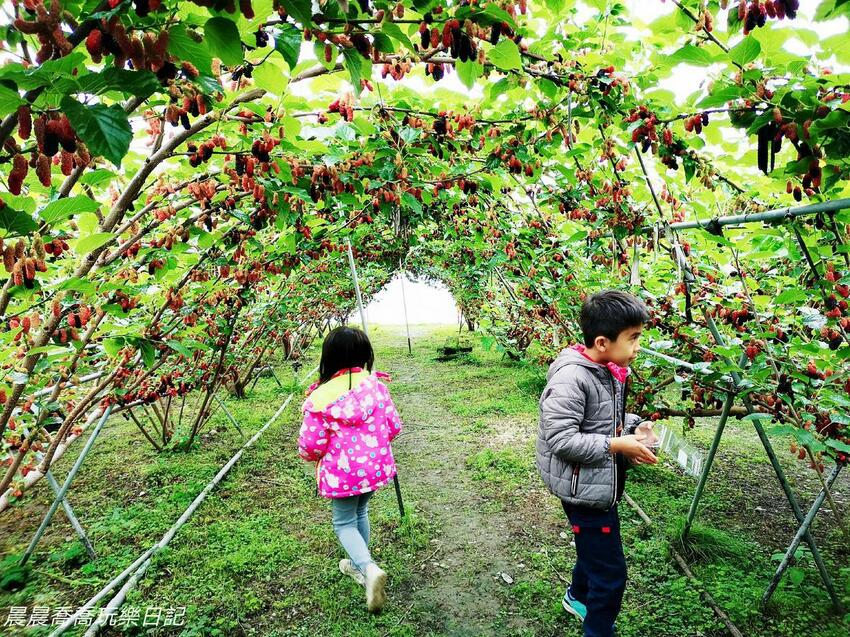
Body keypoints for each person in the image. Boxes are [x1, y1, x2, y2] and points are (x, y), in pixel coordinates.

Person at [536, 290, 658, 637]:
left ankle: (577, 596)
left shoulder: (609, 370)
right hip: (583, 492)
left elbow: (605, 420)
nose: (638, 346)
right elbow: (561, 440)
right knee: (610, 574)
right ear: (602, 342)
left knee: (593, 551)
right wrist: (616, 445)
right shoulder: (571, 378)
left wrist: (634, 427)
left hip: (596, 485)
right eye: (633, 338)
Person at [297, 326, 403, 613]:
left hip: (343, 475)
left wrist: (312, 454)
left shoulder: (321, 398)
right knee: (360, 512)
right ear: (364, 354)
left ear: (328, 357)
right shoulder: (375, 387)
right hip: (374, 468)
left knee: (343, 522)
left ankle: (368, 569)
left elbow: (311, 445)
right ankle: (359, 566)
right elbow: (394, 426)